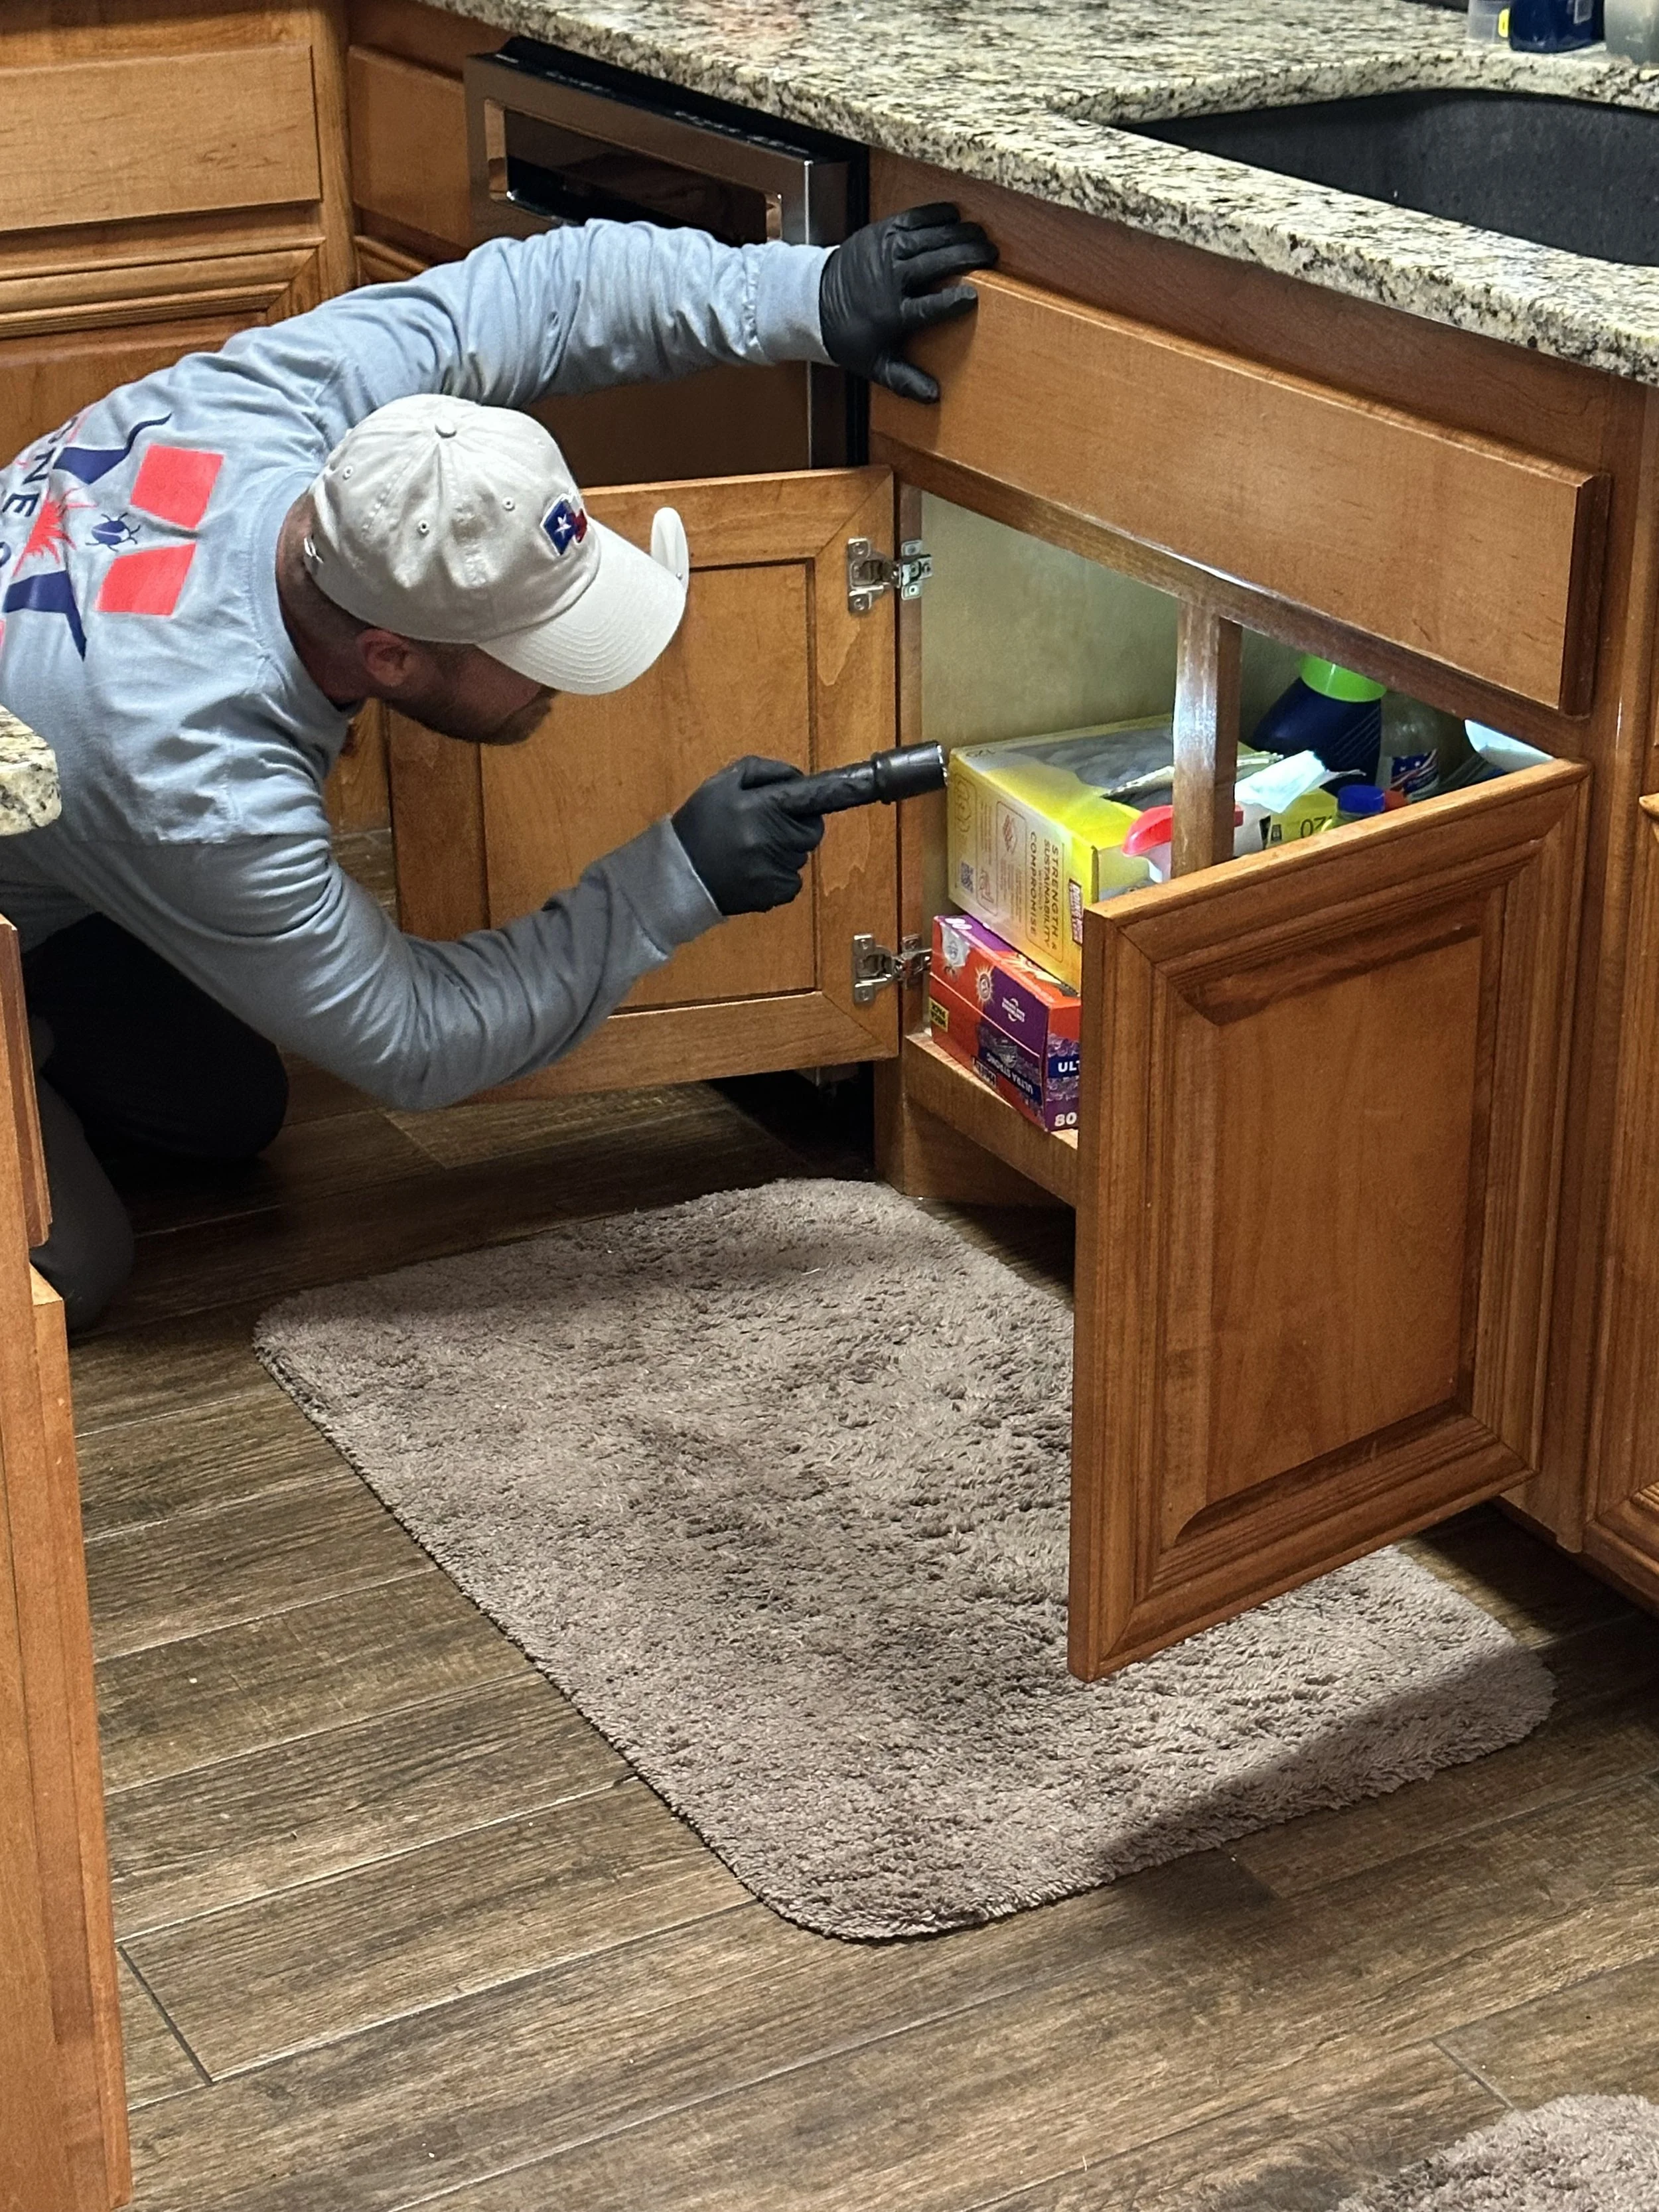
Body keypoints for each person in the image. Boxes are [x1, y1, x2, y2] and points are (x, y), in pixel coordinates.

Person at [0, 204, 995, 1328]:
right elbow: (413, 1041)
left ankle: (39, 970)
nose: (561, 686)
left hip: (54, 804)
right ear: (388, 653)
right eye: (535, 657)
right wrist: (674, 880)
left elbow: (550, 290)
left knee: (225, 1113)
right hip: (82, 772)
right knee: (63, 1269)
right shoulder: (194, 780)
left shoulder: (294, 414)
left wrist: (804, 295)